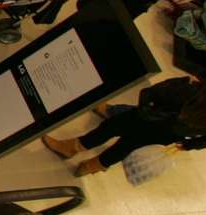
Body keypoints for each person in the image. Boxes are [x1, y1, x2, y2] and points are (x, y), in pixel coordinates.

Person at [43, 75, 206, 176]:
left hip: (150, 117)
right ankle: (92, 166)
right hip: (173, 133)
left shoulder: (191, 91)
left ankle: (72, 147)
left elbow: (155, 93)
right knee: (127, 146)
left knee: (111, 127)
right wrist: (190, 144)